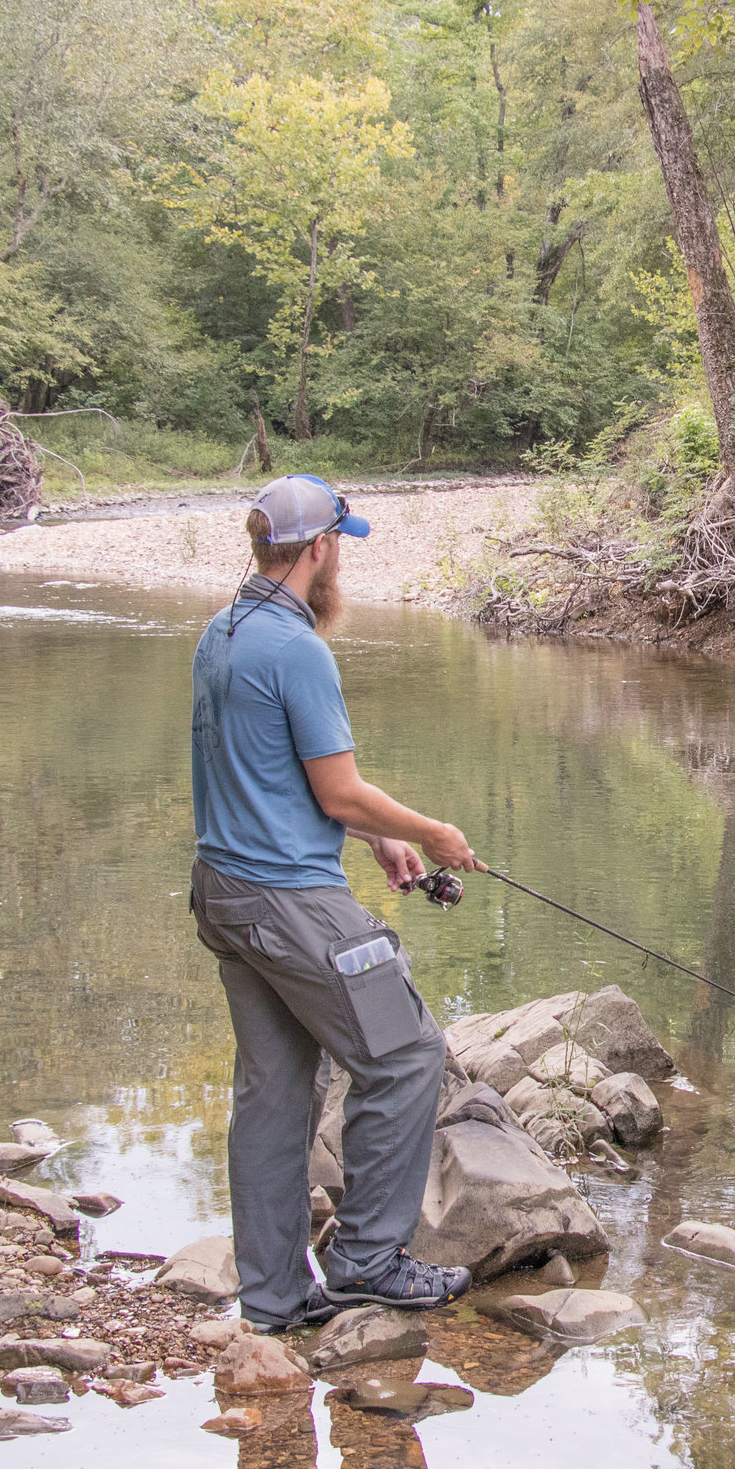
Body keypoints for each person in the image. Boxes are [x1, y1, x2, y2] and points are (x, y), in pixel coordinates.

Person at [187, 473, 477, 1331]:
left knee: (274, 1093)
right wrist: (428, 833)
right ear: (320, 548)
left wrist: (375, 837)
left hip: (224, 895)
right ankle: (366, 1262)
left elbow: (274, 780)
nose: (339, 558)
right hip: (285, 902)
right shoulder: (298, 649)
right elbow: (341, 793)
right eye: (339, 543)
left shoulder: (221, 632)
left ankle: (274, 1299)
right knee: (407, 1055)